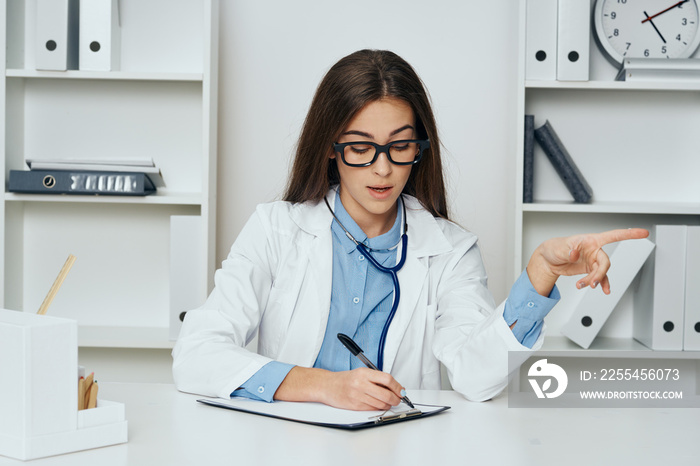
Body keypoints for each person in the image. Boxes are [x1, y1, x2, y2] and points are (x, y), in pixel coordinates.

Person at [172, 49, 648, 411]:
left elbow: (476, 376)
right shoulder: (276, 228)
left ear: (419, 149)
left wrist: (540, 274)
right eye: (361, 147)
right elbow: (196, 354)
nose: (383, 169)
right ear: (329, 149)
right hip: (286, 446)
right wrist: (324, 386)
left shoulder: (450, 250)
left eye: (400, 146)